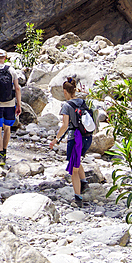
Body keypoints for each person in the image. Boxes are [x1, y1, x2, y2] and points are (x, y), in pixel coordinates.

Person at [51, 75, 93, 206]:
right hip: (87, 137)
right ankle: (84, 183)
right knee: (77, 159)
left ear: (65, 91)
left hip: (75, 139)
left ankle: (78, 198)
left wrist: (56, 139)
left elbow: (64, 125)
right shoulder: (82, 102)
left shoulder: (66, 106)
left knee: (74, 169)